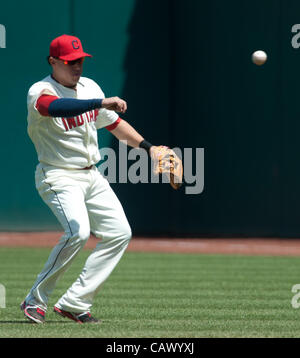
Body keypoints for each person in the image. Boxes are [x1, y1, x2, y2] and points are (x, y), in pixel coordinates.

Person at [21, 34, 155, 324]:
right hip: (57, 175)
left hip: (92, 175)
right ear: (53, 61)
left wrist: (149, 148)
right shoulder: (41, 90)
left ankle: (75, 302)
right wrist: (102, 101)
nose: (76, 66)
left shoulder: (89, 88)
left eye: (79, 60)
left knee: (120, 232)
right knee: (77, 233)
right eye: (69, 62)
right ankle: (35, 300)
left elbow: (116, 125)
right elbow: (53, 107)